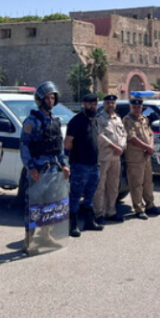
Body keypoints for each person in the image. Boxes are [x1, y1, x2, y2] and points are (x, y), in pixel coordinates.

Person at [19, 81, 71, 246]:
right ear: (40, 100)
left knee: (51, 204)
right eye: (47, 98)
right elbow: (24, 145)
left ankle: (46, 235)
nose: (50, 101)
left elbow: (58, 145)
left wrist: (64, 164)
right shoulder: (31, 121)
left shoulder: (55, 120)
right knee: (34, 205)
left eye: (52, 98)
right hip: (38, 170)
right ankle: (28, 240)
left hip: (54, 169)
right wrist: (30, 167)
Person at [65, 93, 103, 235]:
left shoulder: (95, 120)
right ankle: (73, 225)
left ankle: (89, 222)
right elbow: (67, 143)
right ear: (84, 104)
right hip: (80, 164)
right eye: (90, 104)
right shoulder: (76, 121)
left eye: (95, 104)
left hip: (94, 164)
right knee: (75, 196)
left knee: (90, 194)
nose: (93, 107)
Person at [123, 97, 160, 219]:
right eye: (134, 107)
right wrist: (147, 147)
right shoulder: (127, 120)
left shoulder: (144, 119)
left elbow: (150, 134)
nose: (137, 109)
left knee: (148, 183)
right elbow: (132, 138)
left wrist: (150, 147)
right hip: (134, 157)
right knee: (136, 184)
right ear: (131, 107)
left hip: (146, 156)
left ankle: (150, 205)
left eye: (139, 107)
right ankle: (139, 209)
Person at [94, 95, 126, 224]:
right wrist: (114, 147)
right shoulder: (99, 118)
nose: (111, 105)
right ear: (104, 104)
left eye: (113, 102)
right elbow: (99, 135)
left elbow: (123, 134)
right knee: (100, 186)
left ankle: (111, 211)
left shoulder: (118, 118)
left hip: (116, 157)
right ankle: (99, 213)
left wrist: (122, 147)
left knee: (113, 185)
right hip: (104, 157)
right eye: (108, 103)